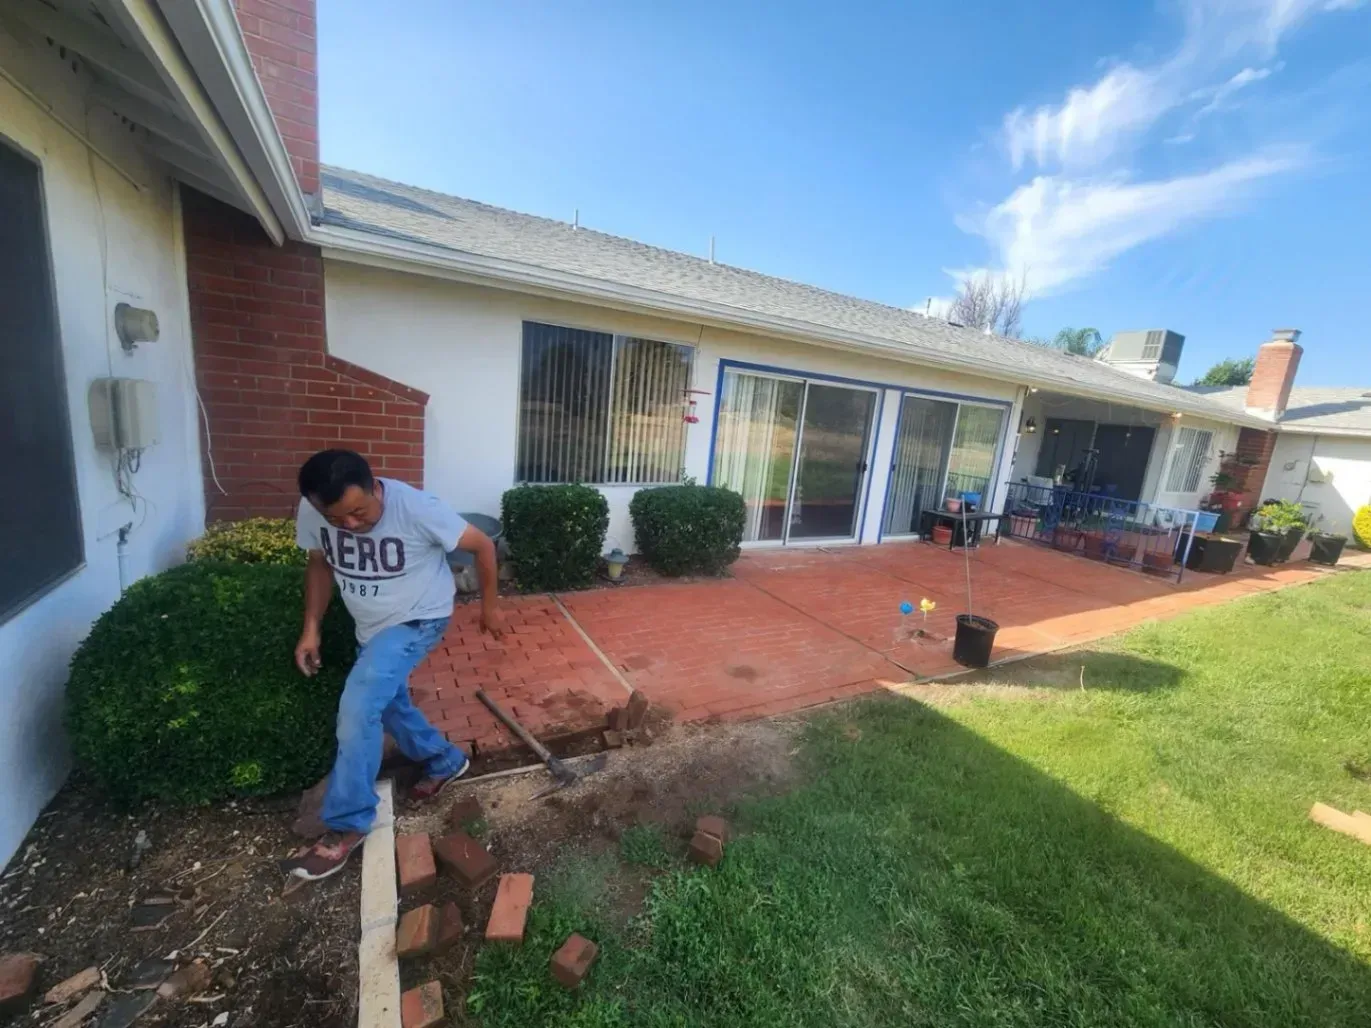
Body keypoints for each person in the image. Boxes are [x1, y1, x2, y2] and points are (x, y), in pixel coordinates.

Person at [282, 449, 504, 881]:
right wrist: (311, 627)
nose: (349, 525)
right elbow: (319, 563)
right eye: (336, 519)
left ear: (373, 488)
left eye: (359, 512)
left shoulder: (416, 509)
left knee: (358, 707)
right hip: (372, 628)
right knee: (386, 702)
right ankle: (444, 760)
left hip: (419, 618)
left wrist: (490, 608)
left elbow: (482, 545)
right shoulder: (315, 512)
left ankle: (347, 825)